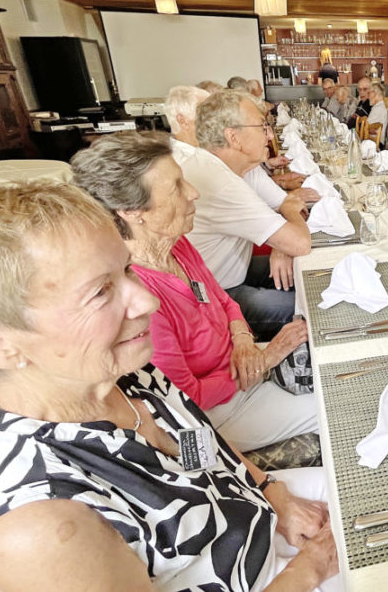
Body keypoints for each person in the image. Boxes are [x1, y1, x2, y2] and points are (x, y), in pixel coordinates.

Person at [0, 181, 339, 591]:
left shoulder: (121, 372)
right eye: (100, 292)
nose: (147, 299)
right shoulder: (36, 527)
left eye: (126, 270)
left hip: (252, 524)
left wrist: (270, 492)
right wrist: (311, 568)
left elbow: (207, 448)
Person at [71, 133, 318, 451]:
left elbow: (225, 301)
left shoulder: (176, 244)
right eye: (176, 186)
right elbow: (186, 396)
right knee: (341, 409)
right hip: (214, 412)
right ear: (132, 211)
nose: (193, 192)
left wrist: (244, 342)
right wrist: (267, 358)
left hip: (244, 366)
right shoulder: (137, 296)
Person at [175, 89, 313, 340]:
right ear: (234, 138)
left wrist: (280, 242)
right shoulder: (220, 181)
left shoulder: (231, 166)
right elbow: (300, 241)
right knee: (312, 308)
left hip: (233, 270)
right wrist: (287, 222)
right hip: (214, 297)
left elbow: (286, 208)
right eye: (262, 126)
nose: (269, 135)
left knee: (314, 276)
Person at [164, 85, 305, 210]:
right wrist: (287, 195)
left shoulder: (218, 151)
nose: (214, 118)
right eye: (204, 112)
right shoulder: (177, 165)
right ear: (182, 120)